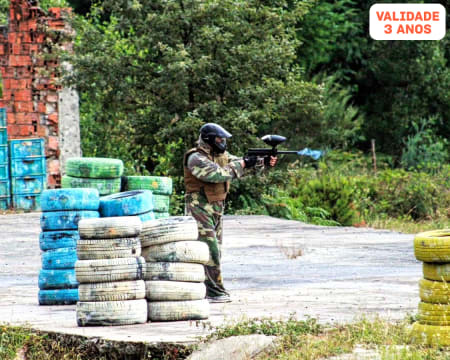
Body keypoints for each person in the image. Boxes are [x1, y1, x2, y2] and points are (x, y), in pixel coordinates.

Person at [184, 123, 277, 303]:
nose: (223, 142)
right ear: (210, 139)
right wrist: (243, 163)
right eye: (220, 139)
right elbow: (218, 174)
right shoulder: (195, 158)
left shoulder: (221, 156)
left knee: (216, 250)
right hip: (199, 209)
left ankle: (208, 289)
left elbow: (240, 164)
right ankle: (214, 292)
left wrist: (263, 161)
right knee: (209, 251)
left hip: (216, 209)